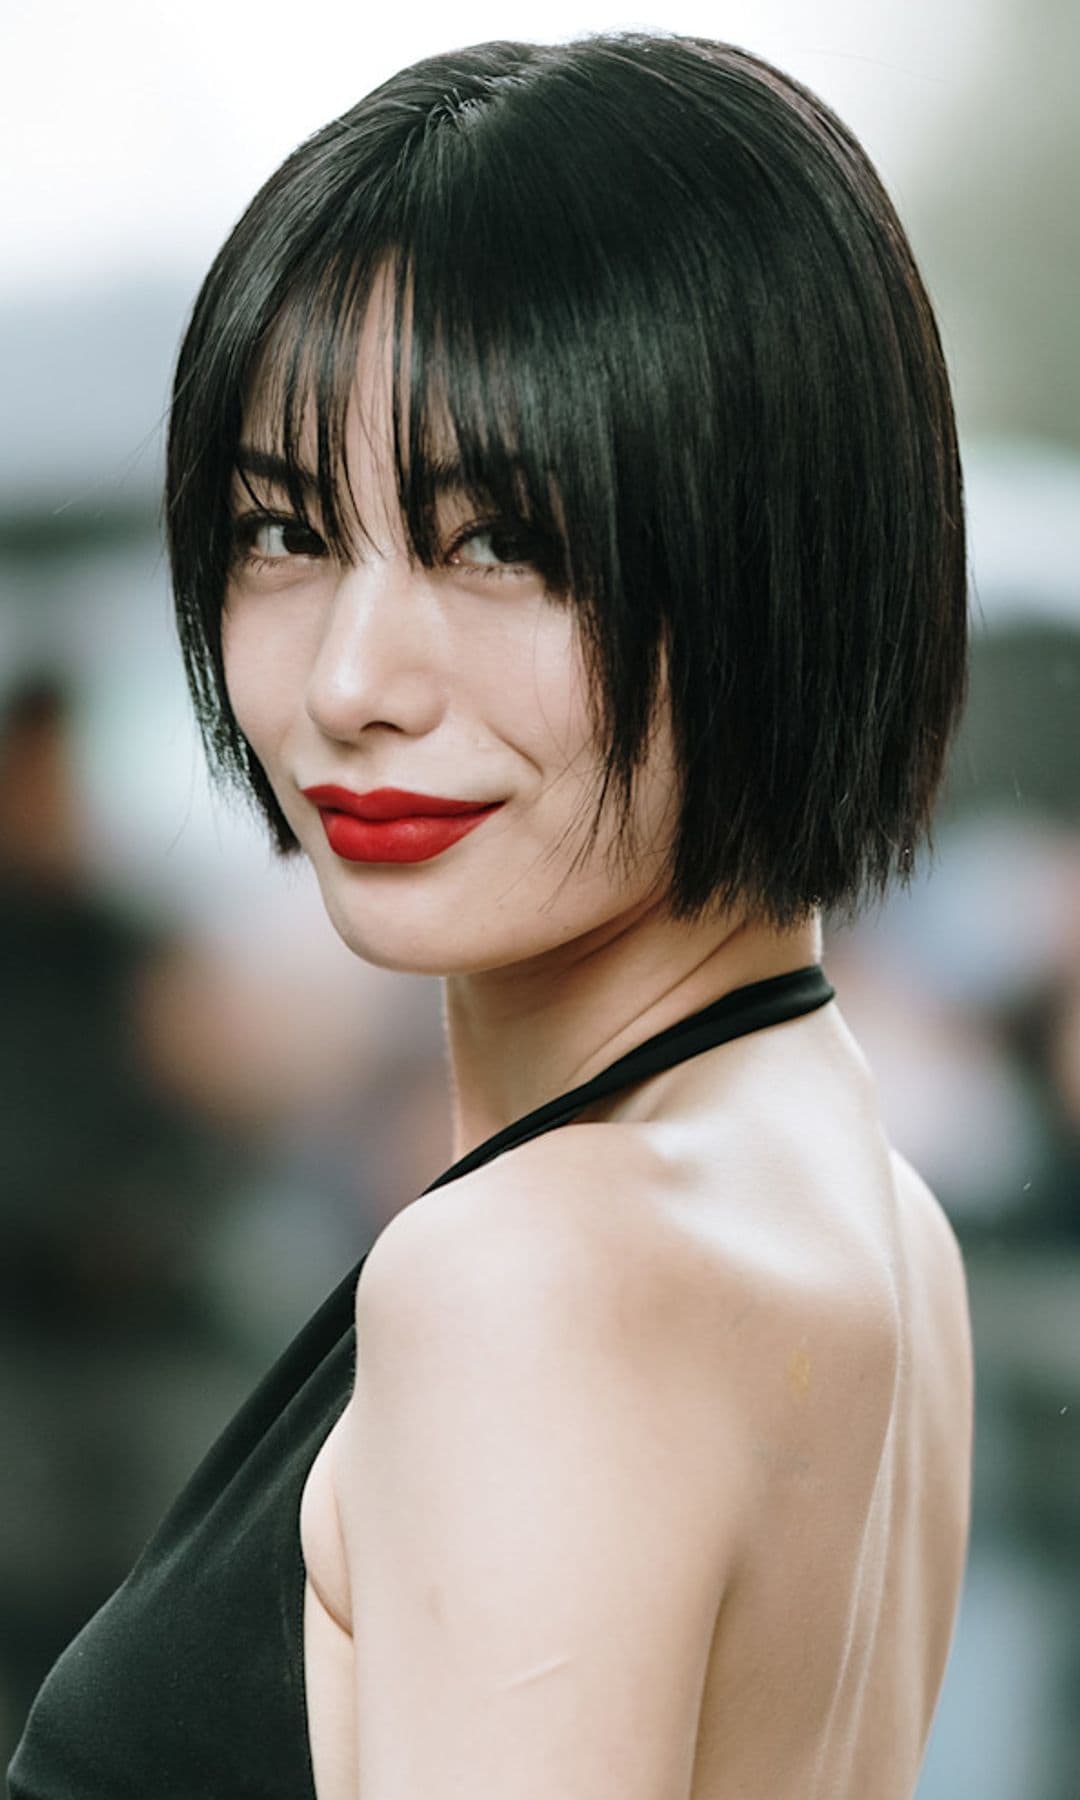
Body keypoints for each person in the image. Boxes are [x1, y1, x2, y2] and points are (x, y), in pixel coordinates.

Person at [8, 30, 973, 1800]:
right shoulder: (852, 1193)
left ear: (771, 551)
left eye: (499, 540)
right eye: (282, 531)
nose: (353, 677)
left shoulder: (533, 1281)